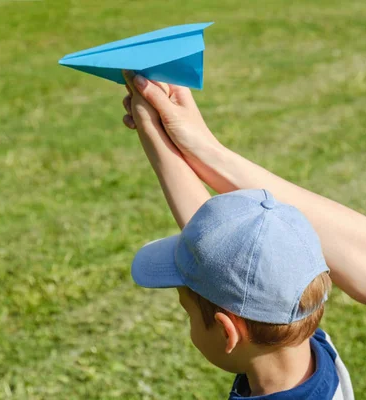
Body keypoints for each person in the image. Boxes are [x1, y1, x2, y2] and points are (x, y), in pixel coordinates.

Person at [120, 71, 366, 336]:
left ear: (230, 333)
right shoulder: (308, 356)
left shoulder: (302, 352)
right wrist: (204, 149)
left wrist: (169, 140)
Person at [122, 71, 354, 399]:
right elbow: (217, 241)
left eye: (187, 312)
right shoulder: (308, 346)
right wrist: (152, 126)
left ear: (227, 331)